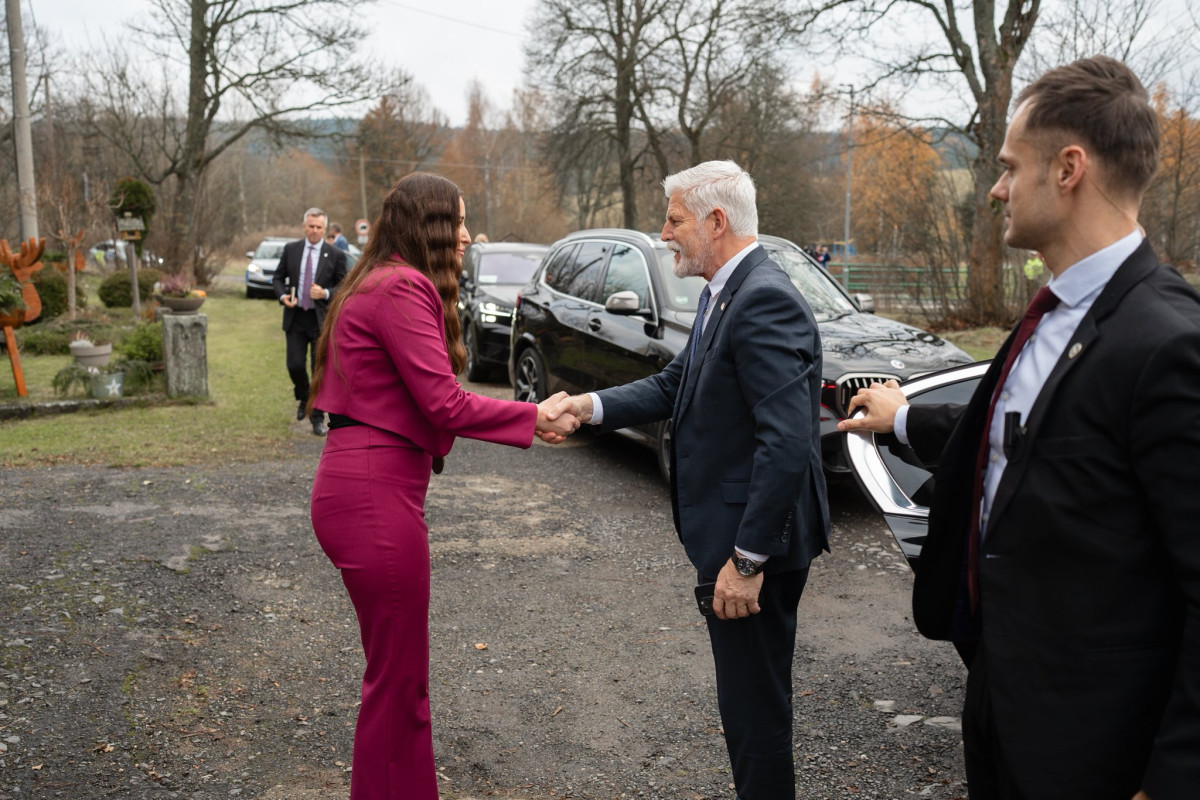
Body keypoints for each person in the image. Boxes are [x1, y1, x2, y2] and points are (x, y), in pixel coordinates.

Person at [838, 56, 1200, 800]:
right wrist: (903, 418)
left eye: (1009, 168)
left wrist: (1172, 780)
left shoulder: (1167, 343)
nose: (996, 188)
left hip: (1096, 750)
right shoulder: (1052, 314)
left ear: (1068, 169)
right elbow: (1020, 437)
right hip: (1003, 709)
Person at [546, 160, 830, 799]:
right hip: (733, 542)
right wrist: (588, 407)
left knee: (756, 717)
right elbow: (677, 383)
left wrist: (748, 560)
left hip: (751, 551)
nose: (665, 232)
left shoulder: (763, 299)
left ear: (716, 221)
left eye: (674, 219)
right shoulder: (725, 289)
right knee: (746, 708)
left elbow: (786, 444)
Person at [307, 172, 578, 800]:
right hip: (373, 497)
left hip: (365, 488)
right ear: (426, 225)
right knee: (398, 683)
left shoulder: (377, 280)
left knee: (397, 678)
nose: (464, 235)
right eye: (455, 221)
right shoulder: (401, 287)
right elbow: (444, 403)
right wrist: (532, 415)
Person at [272, 208, 348, 435]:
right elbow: (277, 278)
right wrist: (283, 296)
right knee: (294, 365)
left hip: (320, 321)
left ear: (325, 229)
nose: (314, 231)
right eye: (311, 226)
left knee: (319, 370)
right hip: (295, 317)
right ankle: (304, 397)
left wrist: (325, 293)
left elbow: (344, 287)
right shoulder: (291, 250)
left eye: (319, 227)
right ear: (304, 226)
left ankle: (317, 418)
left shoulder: (335, 254)